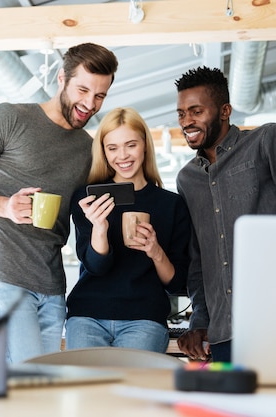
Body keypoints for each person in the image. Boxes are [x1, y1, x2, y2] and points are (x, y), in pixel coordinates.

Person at [0, 43, 119, 363]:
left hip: (53, 289)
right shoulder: (10, 117)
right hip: (3, 278)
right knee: (24, 383)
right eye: (83, 89)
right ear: (61, 78)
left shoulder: (88, 149)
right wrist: (3, 206)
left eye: (100, 95)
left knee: (41, 389)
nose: (90, 103)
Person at [173, 66, 276, 363]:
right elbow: (198, 260)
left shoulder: (268, 141)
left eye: (196, 111)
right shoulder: (187, 179)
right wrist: (200, 322)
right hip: (224, 335)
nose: (187, 121)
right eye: (181, 114)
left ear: (224, 111)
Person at [65, 107, 190, 353]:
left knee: (133, 391)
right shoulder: (88, 200)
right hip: (87, 315)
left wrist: (155, 251)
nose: (122, 156)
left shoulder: (171, 204)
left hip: (144, 318)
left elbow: (176, 283)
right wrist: (99, 228)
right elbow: (96, 266)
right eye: (112, 148)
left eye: (130, 145)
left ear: (144, 144)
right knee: (85, 390)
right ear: (104, 152)